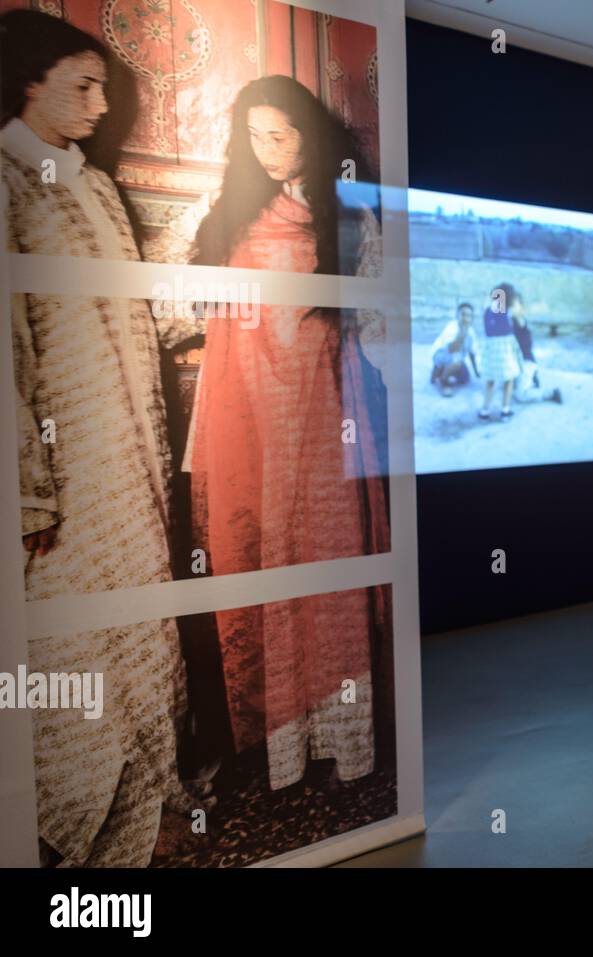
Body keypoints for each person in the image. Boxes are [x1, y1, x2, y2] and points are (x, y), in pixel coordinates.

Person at [2, 9, 198, 865]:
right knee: (71, 639)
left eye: (105, 87)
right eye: (81, 84)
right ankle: (71, 824)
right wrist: (29, 483)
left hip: (130, 453)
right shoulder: (6, 180)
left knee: (139, 628)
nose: (97, 101)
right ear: (29, 84)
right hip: (66, 466)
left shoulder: (98, 186)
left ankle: (148, 805)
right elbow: (7, 342)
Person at [184, 75, 389, 792]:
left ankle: (346, 744)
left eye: (283, 134)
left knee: (329, 578)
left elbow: (377, 325)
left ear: (311, 132)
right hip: (258, 430)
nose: (268, 151)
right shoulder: (235, 217)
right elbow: (212, 324)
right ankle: (285, 748)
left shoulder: (347, 212)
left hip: (326, 419)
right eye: (255, 136)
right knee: (271, 576)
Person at [478, 282, 525, 419]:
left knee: (490, 380)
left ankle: (485, 409)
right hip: (505, 350)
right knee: (508, 380)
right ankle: (505, 409)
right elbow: (522, 323)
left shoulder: (487, 309)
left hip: (491, 349)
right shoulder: (509, 311)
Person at [431, 301, 479, 396]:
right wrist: (462, 333)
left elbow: (472, 352)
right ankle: (443, 381)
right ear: (457, 315)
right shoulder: (451, 327)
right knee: (457, 362)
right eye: (463, 314)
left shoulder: (471, 332)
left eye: (469, 315)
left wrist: (476, 371)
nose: (465, 318)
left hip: (456, 358)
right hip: (442, 354)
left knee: (465, 379)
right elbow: (451, 349)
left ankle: (439, 372)